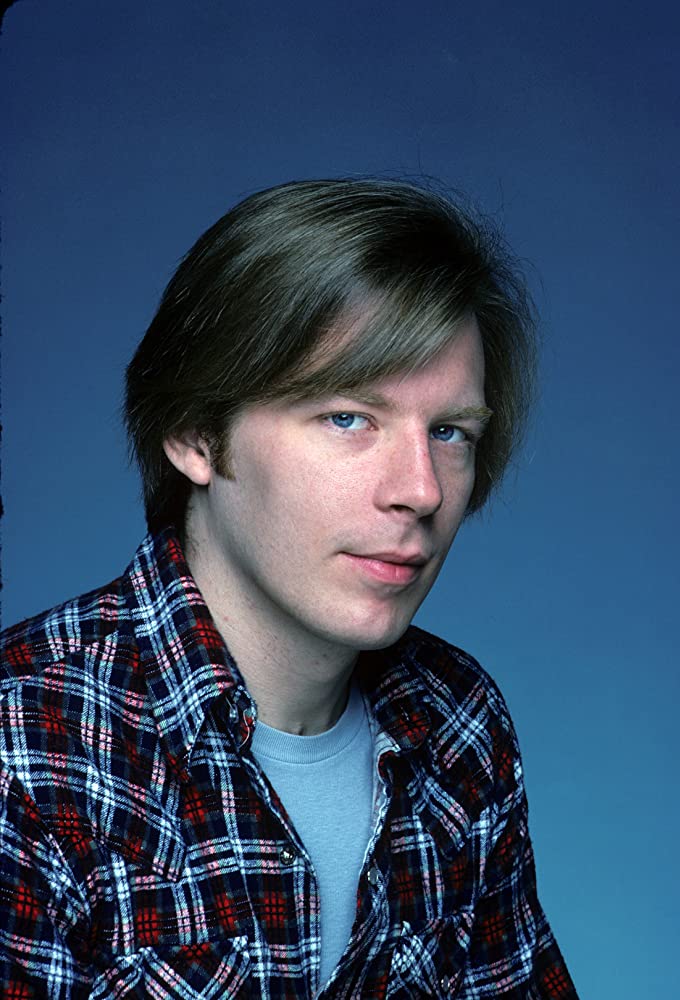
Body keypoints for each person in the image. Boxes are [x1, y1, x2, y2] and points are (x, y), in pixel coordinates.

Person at [0, 179, 578, 998]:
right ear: (195, 433)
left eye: (450, 432)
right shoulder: (27, 747)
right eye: (348, 418)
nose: (421, 490)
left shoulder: (458, 726)